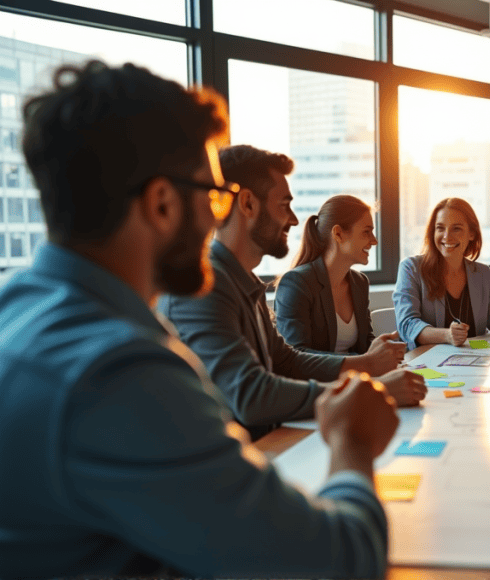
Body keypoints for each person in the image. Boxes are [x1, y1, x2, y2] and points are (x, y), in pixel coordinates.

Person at [0, 60, 396, 577]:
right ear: (162, 203)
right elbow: (343, 560)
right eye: (211, 196)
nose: (217, 216)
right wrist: (351, 439)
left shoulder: (22, 307)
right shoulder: (116, 371)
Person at [160, 145, 424, 439]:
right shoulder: (204, 286)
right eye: (284, 205)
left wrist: (366, 364)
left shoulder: (242, 280)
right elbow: (251, 395)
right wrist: (375, 390)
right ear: (247, 204)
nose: (294, 220)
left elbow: (286, 361)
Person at [394, 197, 490, 348]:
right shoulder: (411, 269)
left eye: (456, 228)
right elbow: (407, 325)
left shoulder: (481, 273)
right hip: (425, 365)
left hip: (471, 363)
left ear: (471, 233)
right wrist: (447, 335)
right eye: (440, 228)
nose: (446, 236)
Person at [274, 195, 404, 363]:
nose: (374, 241)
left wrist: (382, 349)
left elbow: (364, 345)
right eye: (366, 231)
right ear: (338, 233)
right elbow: (297, 354)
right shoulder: (296, 284)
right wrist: (364, 361)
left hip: (355, 379)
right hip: (318, 385)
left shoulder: (359, 282)